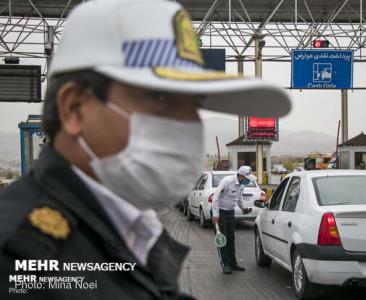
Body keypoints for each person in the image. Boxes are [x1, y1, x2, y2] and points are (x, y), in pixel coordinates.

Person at [0, 0, 290, 299]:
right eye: (163, 98)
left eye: (195, 104)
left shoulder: (129, 225)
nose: (189, 124)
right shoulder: (18, 255)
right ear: (75, 110)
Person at [211, 166, 257, 274]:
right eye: (247, 178)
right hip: (220, 213)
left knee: (231, 239)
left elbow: (239, 198)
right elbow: (215, 197)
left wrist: (244, 208)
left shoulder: (241, 185)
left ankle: (233, 263)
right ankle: (225, 264)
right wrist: (215, 214)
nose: (249, 180)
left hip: (230, 212)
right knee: (222, 240)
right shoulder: (227, 181)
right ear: (241, 176)